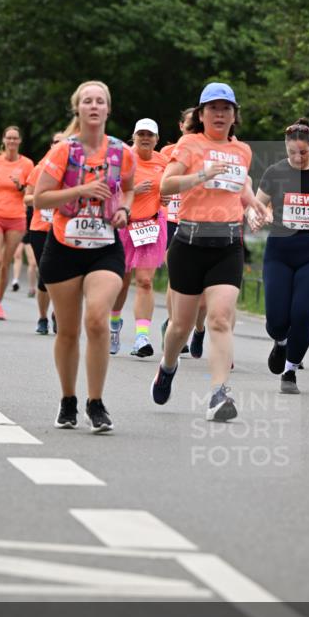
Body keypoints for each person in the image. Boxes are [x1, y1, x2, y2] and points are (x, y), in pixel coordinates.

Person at [153, 82, 268, 421]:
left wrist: (255, 207)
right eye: (213, 108)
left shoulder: (242, 151)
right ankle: (167, 366)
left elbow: (240, 186)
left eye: (226, 108)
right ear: (201, 115)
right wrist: (200, 175)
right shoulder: (190, 144)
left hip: (228, 245)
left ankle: (219, 395)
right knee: (180, 326)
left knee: (220, 318)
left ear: (235, 116)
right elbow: (166, 185)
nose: (220, 114)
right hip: (189, 243)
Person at [34, 81, 135, 433]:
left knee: (96, 320)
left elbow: (131, 187)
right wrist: (82, 190)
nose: (94, 106)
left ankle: (95, 402)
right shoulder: (64, 151)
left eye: (100, 101)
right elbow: (40, 198)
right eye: (87, 101)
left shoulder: (122, 152)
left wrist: (124, 209)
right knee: (67, 331)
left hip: (104, 248)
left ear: (108, 109)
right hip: (63, 247)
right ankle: (68, 400)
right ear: (78, 109)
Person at [250, 119, 309, 393]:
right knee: (277, 321)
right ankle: (281, 342)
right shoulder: (275, 172)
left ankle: (290, 371)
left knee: (302, 313)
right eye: (292, 153)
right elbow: (256, 205)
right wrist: (259, 216)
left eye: (304, 153)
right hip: (279, 252)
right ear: (285, 150)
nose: (298, 158)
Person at [109, 118, 168, 358]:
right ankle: (114, 325)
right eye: (141, 134)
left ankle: (142, 337)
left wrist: (165, 196)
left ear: (156, 139)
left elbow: (170, 185)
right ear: (133, 136)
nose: (145, 138)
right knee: (121, 281)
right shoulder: (123, 158)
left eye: (150, 135)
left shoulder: (163, 161)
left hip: (151, 224)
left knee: (145, 281)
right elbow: (106, 186)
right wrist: (129, 189)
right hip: (124, 224)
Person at [159, 111, 204, 357]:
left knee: (203, 288)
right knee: (174, 276)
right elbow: (157, 181)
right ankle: (175, 325)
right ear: (181, 126)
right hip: (172, 219)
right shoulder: (167, 154)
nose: (193, 130)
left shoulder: (206, 152)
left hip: (197, 219)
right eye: (189, 125)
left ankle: (198, 328)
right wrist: (159, 194)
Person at [0, 126, 34, 320]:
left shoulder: (27, 164)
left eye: (15, 138)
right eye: (8, 138)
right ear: (4, 140)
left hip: (16, 217)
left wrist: (20, 185)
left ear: (19, 141)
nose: (12, 142)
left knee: (5, 263)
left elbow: (30, 194)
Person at [25, 132, 65, 334]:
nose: (59, 145)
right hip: (41, 228)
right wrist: (47, 198)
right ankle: (42, 317)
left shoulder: (73, 170)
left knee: (63, 276)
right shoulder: (40, 169)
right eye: (56, 142)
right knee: (45, 274)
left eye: (63, 142)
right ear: (51, 145)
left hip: (65, 228)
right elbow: (26, 199)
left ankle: (57, 314)